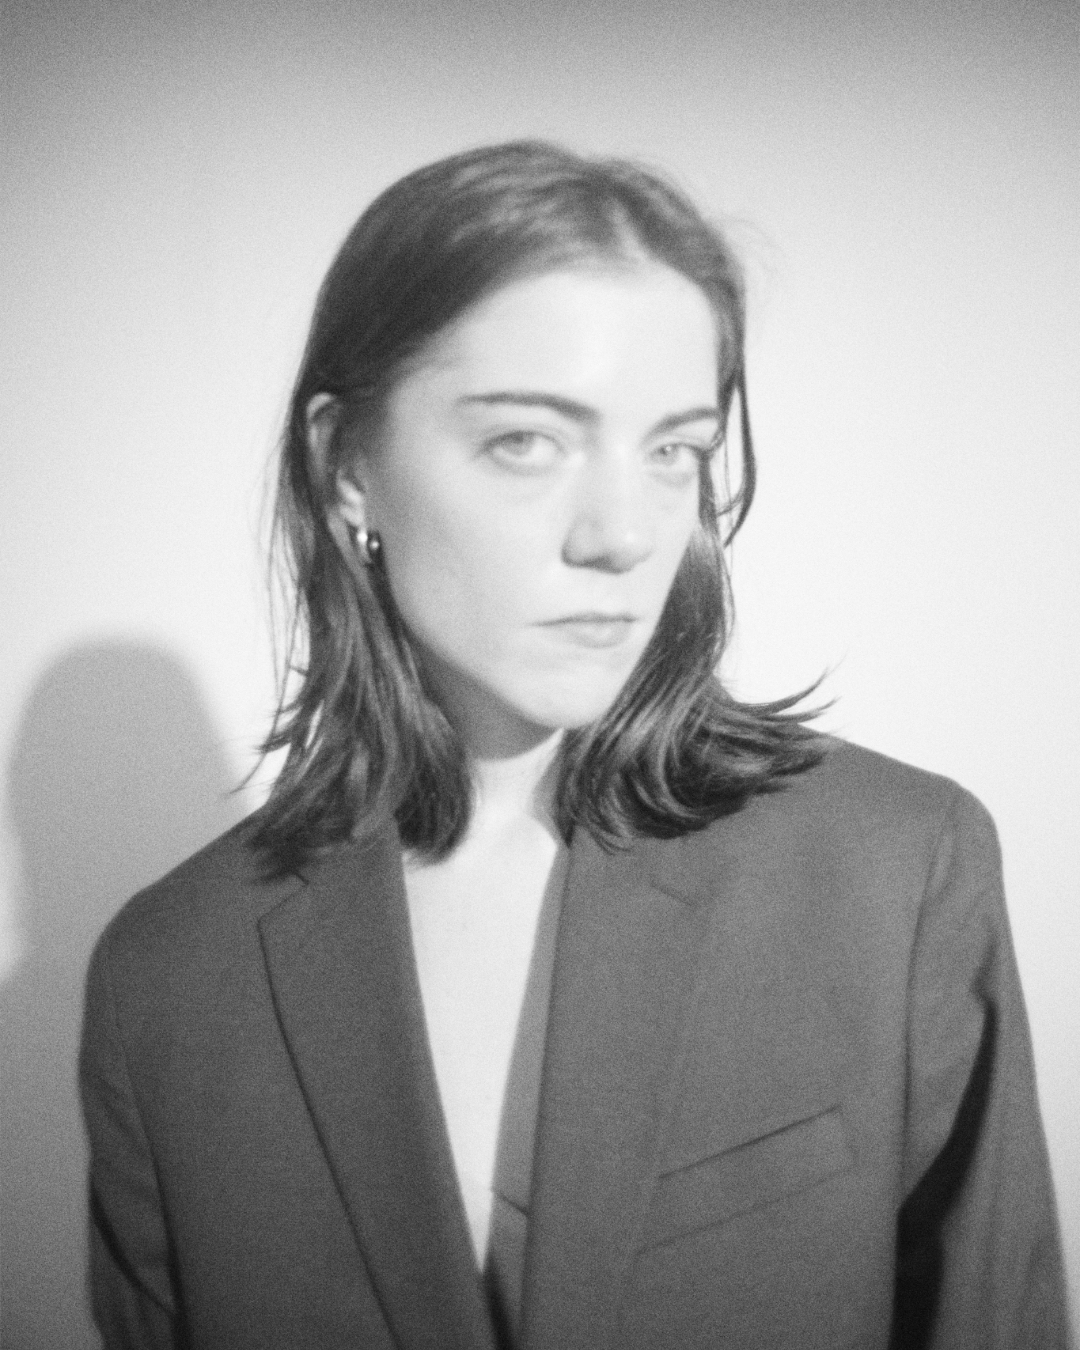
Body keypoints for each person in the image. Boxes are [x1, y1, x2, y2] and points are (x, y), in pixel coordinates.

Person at [79, 141, 1068, 1349]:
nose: (623, 534)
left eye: (672, 449)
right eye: (526, 442)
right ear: (347, 467)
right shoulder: (168, 981)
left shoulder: (894, 871)